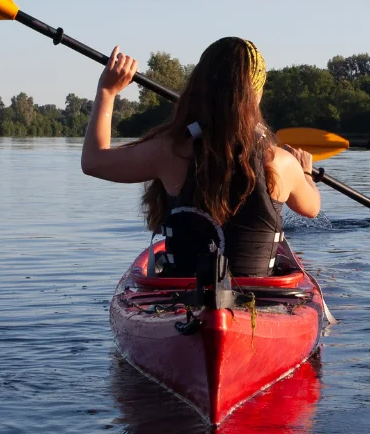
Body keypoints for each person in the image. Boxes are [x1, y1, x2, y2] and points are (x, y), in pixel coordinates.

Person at [81, 37, 320, 278]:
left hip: (181, 301)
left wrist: (107, 91)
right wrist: (305, 172)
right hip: (261, 302)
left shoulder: (170, 151)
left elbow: (93, 161)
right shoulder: (281, 162)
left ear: (200, 86)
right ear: (257, 93)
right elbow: (312, 208)